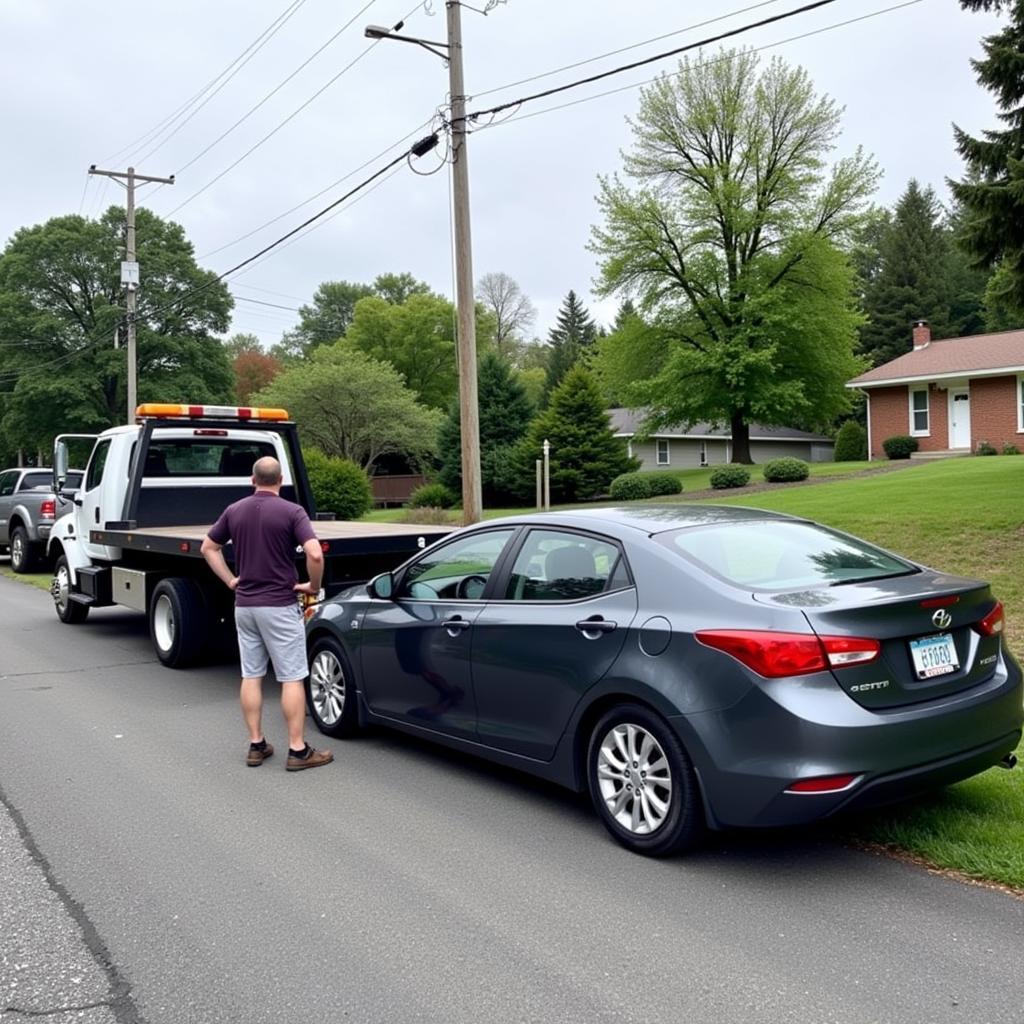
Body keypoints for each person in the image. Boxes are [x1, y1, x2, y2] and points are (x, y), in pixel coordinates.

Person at [200, 456, 333, 772]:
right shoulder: (292, 512)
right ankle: (298, 751)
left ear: (252, 479)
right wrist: (312, 585)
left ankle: (257, 744)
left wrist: (231, 580)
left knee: (251, 674)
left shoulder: (235, 510)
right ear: (281, 479)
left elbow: (208, 547)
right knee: (290, 677)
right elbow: (314, 552)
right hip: (279, 605)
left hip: (245, 606)